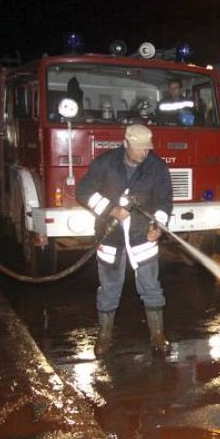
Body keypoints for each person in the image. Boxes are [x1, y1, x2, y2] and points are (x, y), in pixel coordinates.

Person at [76, 124, 174, 356]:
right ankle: (105, 337)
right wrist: (111, 210)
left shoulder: (156, 168)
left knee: (151, 287)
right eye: (139, 149)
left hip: (143, 237)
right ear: (125, 144)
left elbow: (164, 201)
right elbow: (83, 191)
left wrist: (158, 225)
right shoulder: (106, 163)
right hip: (111, 237)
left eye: (147, 149)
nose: (144, 153)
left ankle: (158, 336)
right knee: (109, 289)